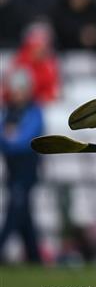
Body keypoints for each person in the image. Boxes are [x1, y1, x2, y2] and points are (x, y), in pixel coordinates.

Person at [0, 69, 44, 263]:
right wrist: (11, 138)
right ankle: (34, 256)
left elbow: (25, 141)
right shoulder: (8, 111)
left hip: (27, 171)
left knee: (15, 210)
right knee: (23, 212)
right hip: (13, 170)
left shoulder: (33, 111)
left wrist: (11, 137)